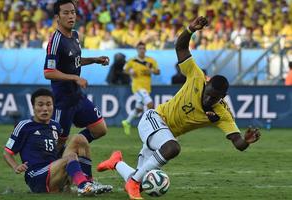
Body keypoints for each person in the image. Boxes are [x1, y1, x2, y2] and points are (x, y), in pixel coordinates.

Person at [96, 16, 261, 200]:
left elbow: (236, 141)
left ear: (222, 98)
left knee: (143, 178)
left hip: (164, 135)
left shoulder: (221, 113)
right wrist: (190, 29)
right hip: (154, 119)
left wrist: (246, 141)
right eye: (208, 93)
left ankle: (117, 162)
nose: (208, 98)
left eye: (214, 98)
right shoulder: (196, 76)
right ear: (206, 83)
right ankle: (132, 183)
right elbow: (181, 48)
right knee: (172, 148)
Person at [43, 0, 111, 192]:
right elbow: (48, 72)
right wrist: (74, 77)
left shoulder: (74, 36)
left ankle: (74, 149)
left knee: (100, 129)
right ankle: (56, 180)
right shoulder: (55, 40)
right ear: (57, 17)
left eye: (73, 12)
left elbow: (75, 60)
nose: (71, 16)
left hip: (77, 96)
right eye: (66, 13)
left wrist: (94, 60)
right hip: (63, 101)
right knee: (59, 143)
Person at [3, 88, 109, 195]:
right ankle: (83, 186)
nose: (45, 108)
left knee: (79, 139)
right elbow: (7, 153)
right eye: (40, 105)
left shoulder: (56, 126)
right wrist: (16, 166)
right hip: (36, 176)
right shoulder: (24, 126)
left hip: (54, 171)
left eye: (49, 104)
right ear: (33, 107)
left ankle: (89, 183)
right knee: (70, 157)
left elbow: (57, 149)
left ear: (53, 106)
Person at [121, 41, 160, 135]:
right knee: (150, 104)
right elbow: (124, 70)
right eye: (140, 48)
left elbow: (158, 72)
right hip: (137, 87)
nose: (142, 50)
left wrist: (151, 70)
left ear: (146, 50)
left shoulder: (151, 60)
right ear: (137, 50)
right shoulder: (132, 61)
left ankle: (127, 122)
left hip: (147, 87)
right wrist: (130, 72)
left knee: (139, 109)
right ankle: (149, 127)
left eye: (143, 48)